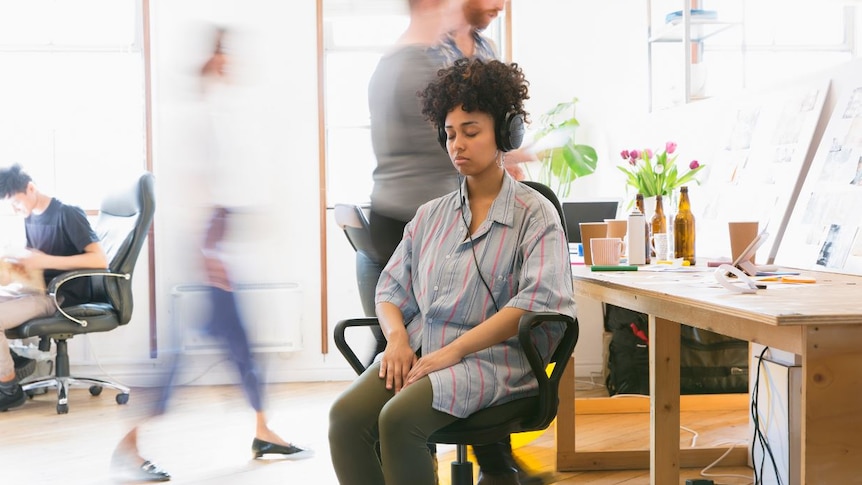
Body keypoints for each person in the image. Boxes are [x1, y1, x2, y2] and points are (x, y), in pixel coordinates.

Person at [329, 58, 577, 485]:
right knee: (345, 418)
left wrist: (454, 351)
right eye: (449, 134)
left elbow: (538, 302)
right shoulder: (430, 216)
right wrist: (398, 339)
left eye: (471, 131)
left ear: (504, 132)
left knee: (398, 419)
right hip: (425, 351)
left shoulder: (535, 215)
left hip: (494, 361)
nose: (457, 145)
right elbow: (390, 288)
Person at [110, 27, 310, 482]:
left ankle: (263, 431)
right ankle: (130, 445)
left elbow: (219, 190)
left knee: (240, 346)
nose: (228, 62)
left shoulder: (214, 112)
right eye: (221, 53)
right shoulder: (192, 118)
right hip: (203, 255)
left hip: (215, 251)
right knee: (178, 358)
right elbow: (190, 192)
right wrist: (209, 254)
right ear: (207, 59)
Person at [363, 1, 535, 482]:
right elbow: (452, 146)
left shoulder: (475, 48)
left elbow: (534, 304)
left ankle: (496, 466)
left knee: (462, 349)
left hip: (460, 223)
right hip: (415, 224)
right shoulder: (415, 62)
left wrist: (504, 162)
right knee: (396, 394)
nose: (499, 6)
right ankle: (465, 462)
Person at [0, 164, 109, 412]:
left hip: (61, 295)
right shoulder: (30, 216)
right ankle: (16, 359)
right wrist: (16, 264)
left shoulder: (68, 214)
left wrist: (43, 261)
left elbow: (99, 260)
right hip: (37, 288)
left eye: (17, 203)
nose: (17, 211)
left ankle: (9, 389)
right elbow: (38, 259)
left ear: (30, 188)